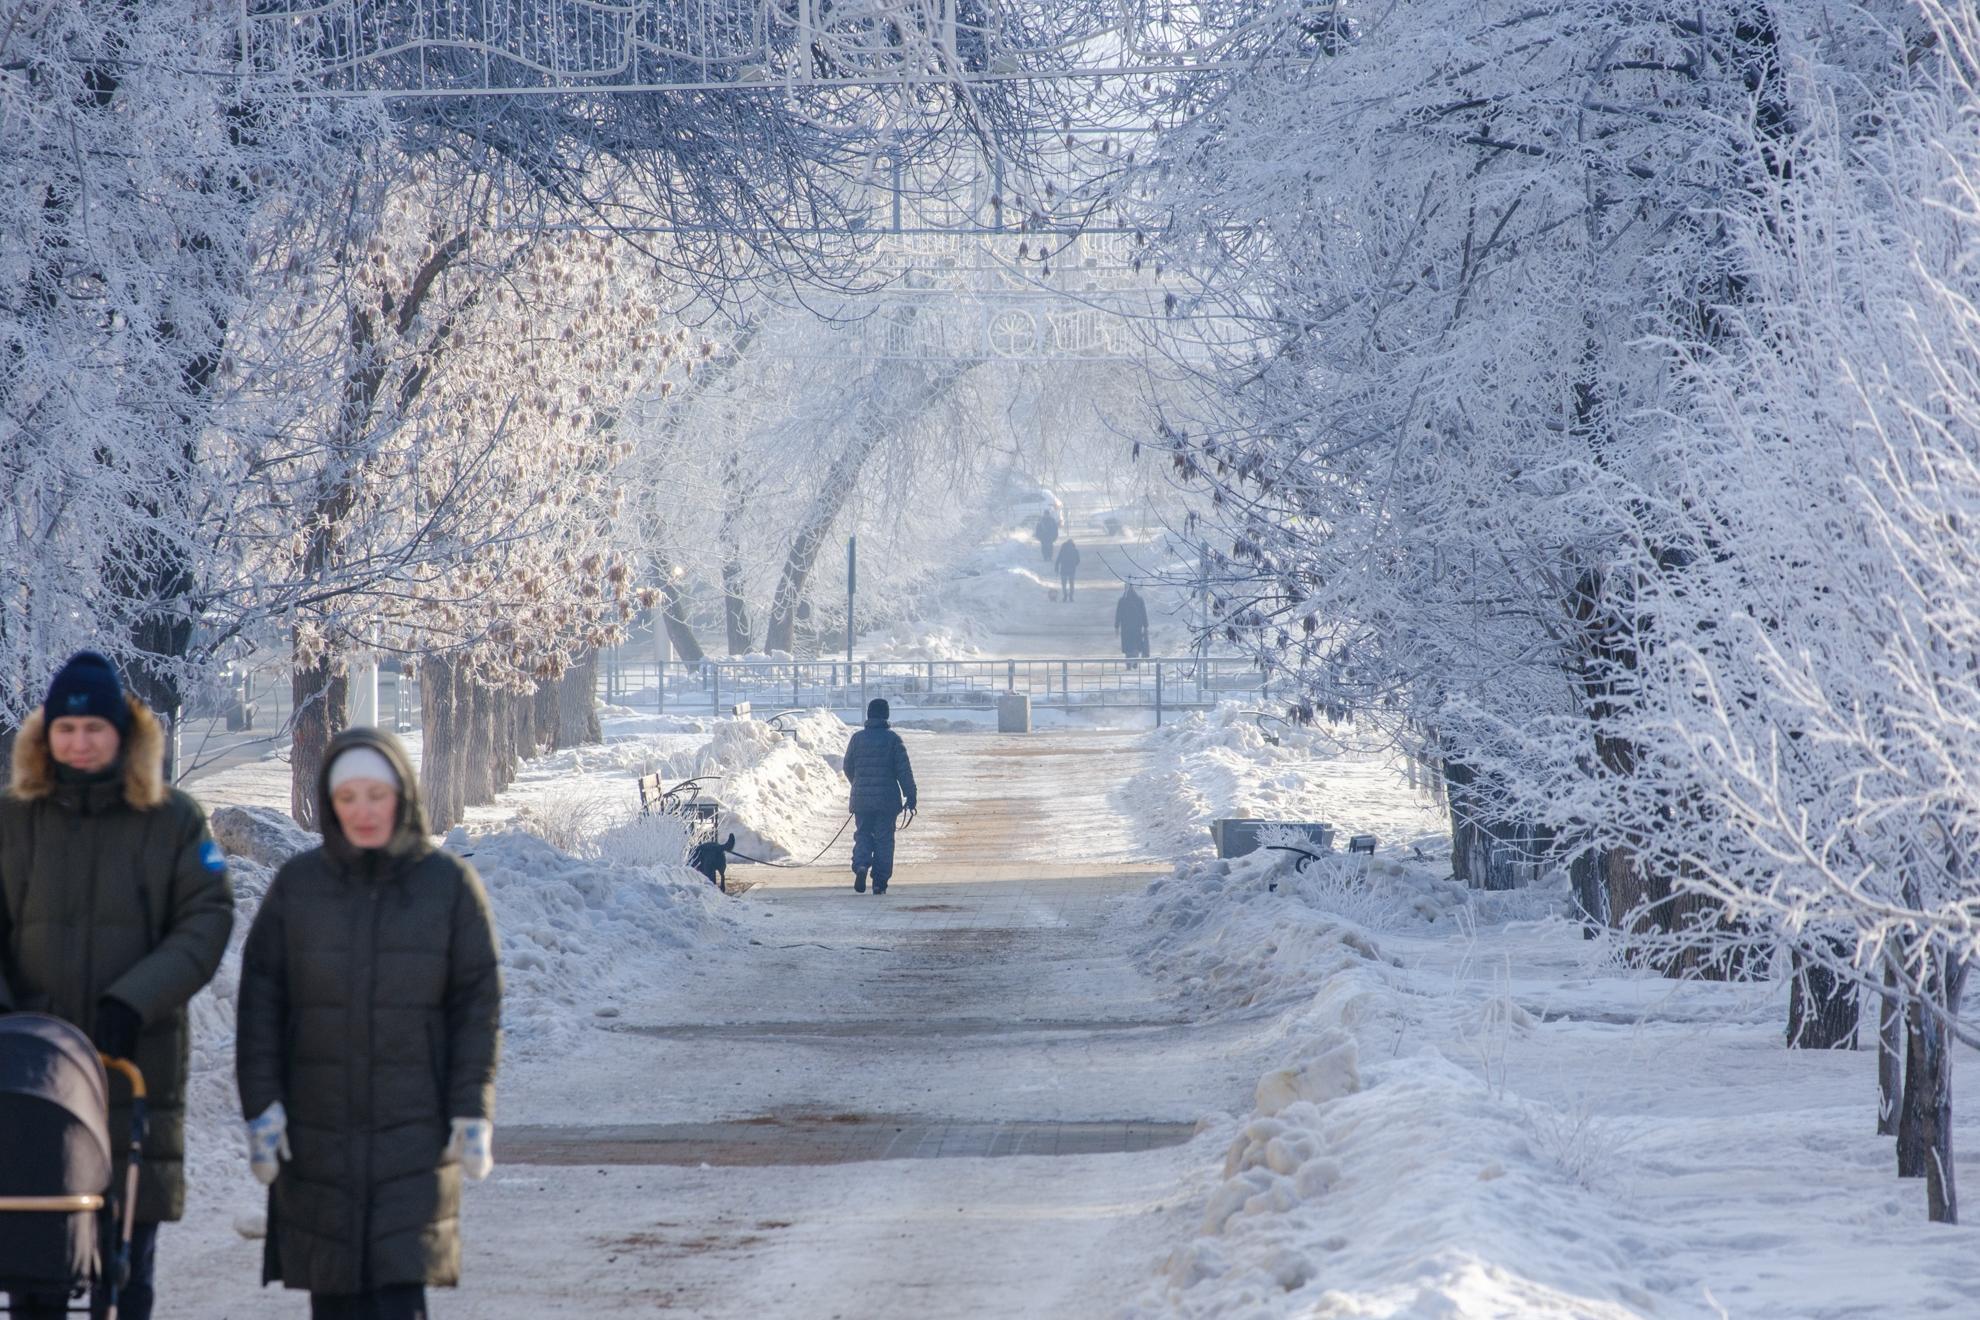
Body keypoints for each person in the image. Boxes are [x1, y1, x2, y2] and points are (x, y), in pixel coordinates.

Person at [0, 650, 235, 1320]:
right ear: (46, 735)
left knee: (127, 1250)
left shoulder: (174, 821)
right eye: (66, 730)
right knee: (34, 1243)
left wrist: (136, 997)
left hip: (135, 1058)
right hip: (30, 1073)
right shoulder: (12, 819)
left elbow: (206, 915)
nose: (79, 743)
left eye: (93, 729)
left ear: (123, 734)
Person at [236, 727, 502, 1320]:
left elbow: (476, 1006)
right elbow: (261, 1008)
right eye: (347, 797)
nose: (363, 811)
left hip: (415, 1132)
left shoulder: (448, 888)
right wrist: (263, 1109)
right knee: (334, 1297)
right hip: (316, 1135)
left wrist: (471, 1109)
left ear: (401, 796)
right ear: (330, 804)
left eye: (375, 795)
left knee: (398, 1294)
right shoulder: (297, 889)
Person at [842, 698, 916, 896]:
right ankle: (879, 883)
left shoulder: (857, 739)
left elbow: (847, 766)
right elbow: (904, 771)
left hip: (862, 800)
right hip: (887, 800)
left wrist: (859, 785)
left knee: (863, 834)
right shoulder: (893, 739)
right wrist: (911, 795)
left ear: (868, 715)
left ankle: (860, 866)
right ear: (886, 715)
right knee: (884, 840)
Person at [1115, 583, 1151, 670]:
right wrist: (1145, 625)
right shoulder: (1139, 600)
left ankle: (1128, 663)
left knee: (1128, 647)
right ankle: (1135, 661)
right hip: (1137, 627)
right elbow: (1143, 613)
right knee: (1136, 646)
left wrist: (1116, 626)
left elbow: (1118, 614)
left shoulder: (1122, 601)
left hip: (1126, 628)